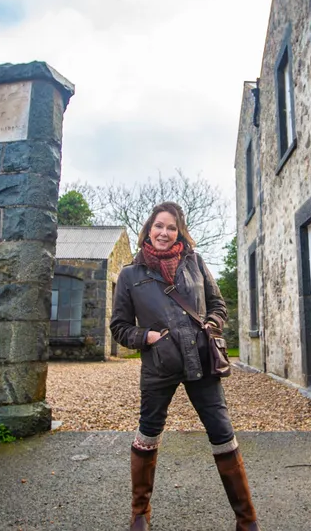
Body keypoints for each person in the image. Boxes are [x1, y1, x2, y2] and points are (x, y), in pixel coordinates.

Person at [110, 202, 260, 531]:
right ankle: (140, 513)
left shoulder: (195, 262)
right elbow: (119, 327)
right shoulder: (130, 275)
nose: (165, 233)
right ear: (148, 229)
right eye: (159, 226)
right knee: (148, 434)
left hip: (201, 362)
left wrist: (211, 324)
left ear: (180, 232)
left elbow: (218, 304)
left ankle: (247, 520)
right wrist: (146, 337)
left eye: (172, 227)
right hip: (159, 366)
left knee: (223, 434)